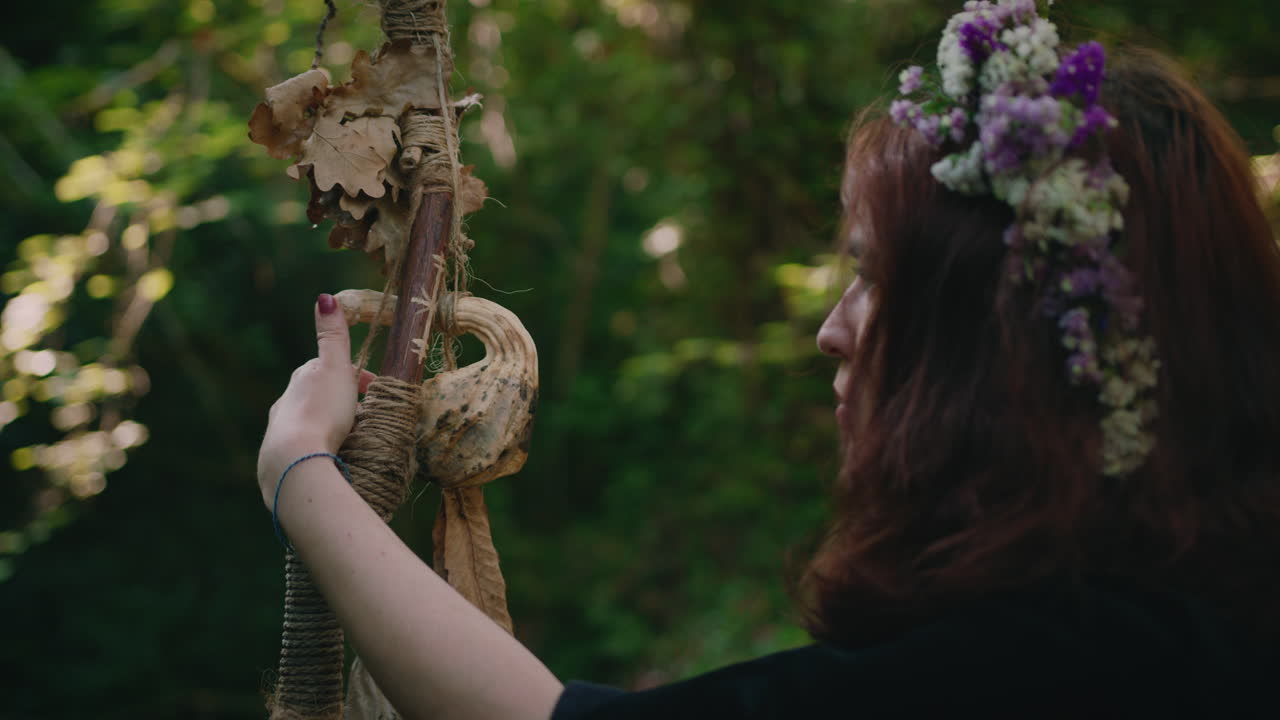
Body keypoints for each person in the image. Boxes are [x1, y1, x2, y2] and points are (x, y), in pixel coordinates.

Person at [256, 2, 1280, 717]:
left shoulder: (1058, 663)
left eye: (873, 276)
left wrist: (301, 473)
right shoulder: (1195, 621)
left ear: (994, 333)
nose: (832, 328)